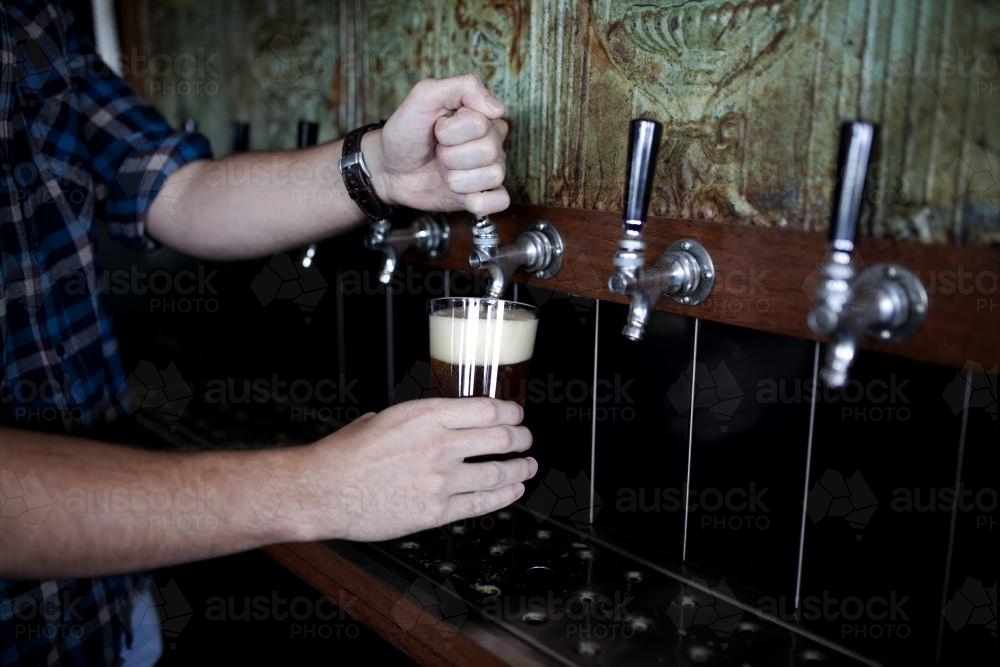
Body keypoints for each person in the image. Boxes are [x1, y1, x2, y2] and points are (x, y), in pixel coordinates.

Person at [0, 1, 536, 664]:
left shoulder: (28, 19)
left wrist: (382, 169)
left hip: (107, 617)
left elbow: (174, 189)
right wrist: (319, 486)